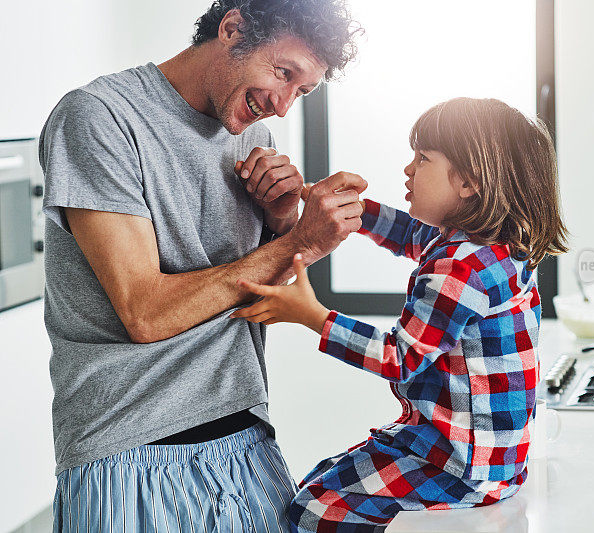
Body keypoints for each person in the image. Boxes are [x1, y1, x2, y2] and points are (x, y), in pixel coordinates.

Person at [39, 1, 363, 531]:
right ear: (231, 29)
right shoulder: (99, 118)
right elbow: (146, 313)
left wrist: (281, 222)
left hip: (245, 436)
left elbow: (251, 297)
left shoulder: (253, 134)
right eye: (284, 74)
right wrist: (295, 241)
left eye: (302, 92)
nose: (282, 106)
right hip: (126, 449)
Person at [232, 97, 570, 531]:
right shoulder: (485, 245)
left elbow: (400, 358)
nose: (408, 170)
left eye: (423, 159)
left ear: (468, 183)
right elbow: (411, 233)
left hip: (459, 467)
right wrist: (342, 205)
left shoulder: (462, 269)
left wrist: (312, 315)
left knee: (314, 509)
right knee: (319, 481)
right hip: (482, 457)